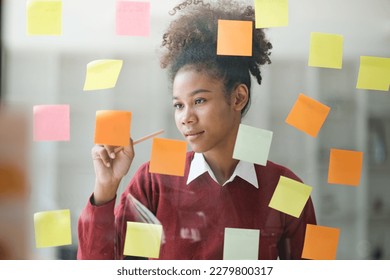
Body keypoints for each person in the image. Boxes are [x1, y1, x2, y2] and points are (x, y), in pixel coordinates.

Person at [77, 0, 316, 260]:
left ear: (238, 98)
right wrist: (105, 186)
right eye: (179, 105)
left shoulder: (285, 187)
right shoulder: (154, 181)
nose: (186, 118)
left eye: (199, 101)